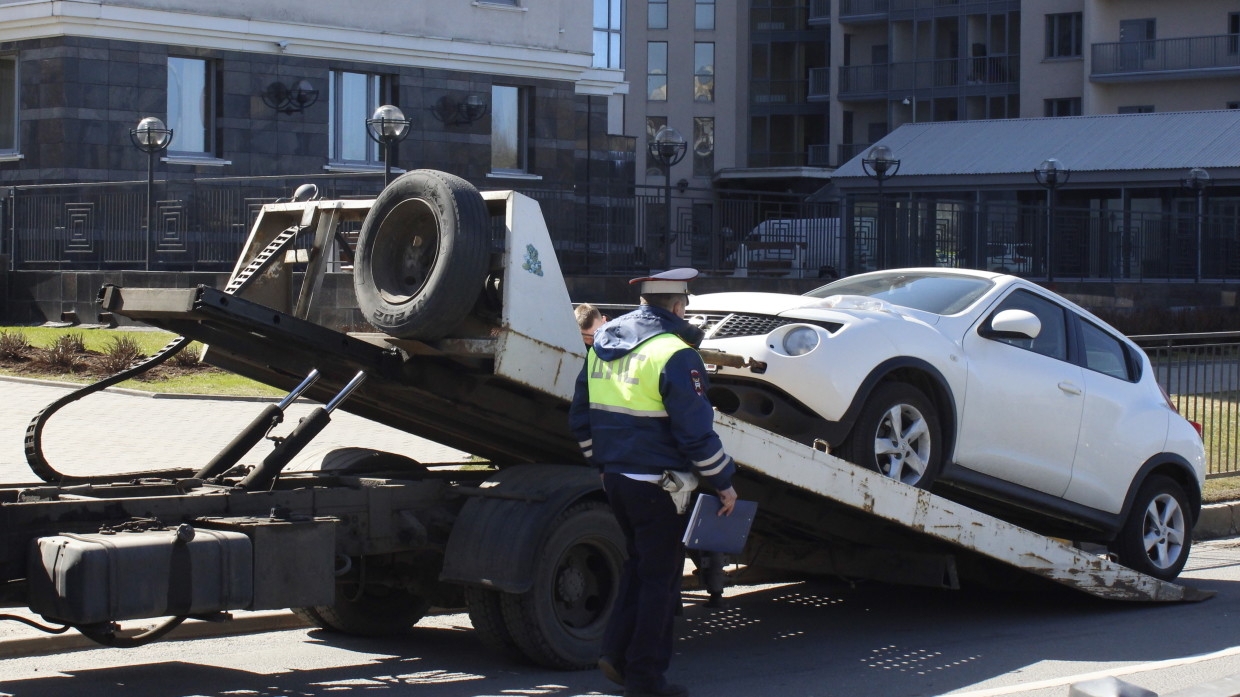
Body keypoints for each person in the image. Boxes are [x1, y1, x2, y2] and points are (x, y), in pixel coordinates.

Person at [569, 267, 739, 697]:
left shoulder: (603, 344)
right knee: (661, 583)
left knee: (639, 570)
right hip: (658, 488)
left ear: (644, 303)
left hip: (617, 481)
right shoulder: (675, 353)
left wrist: (604, 464)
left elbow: (581, 417)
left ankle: (615, 653)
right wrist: (723, 481)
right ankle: (645, 678)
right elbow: (696, 433)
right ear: (678, 306)